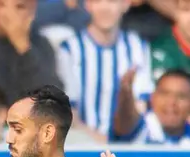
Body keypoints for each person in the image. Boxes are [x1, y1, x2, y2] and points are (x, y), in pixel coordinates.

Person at [57, 0, 154, 139]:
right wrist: (96, 141)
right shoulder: (70, 49)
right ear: (87, 4)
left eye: (112, 1)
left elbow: (141, 109)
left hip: (130, 147)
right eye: (97, 1)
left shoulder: (138, 47)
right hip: (82, 147)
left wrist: (126, 96)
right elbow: (67, 112)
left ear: (126, 4)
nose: (105, 8)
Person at [112, 68, 190, 144]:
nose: (172, 102)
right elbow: (124, 124)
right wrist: (126, 93)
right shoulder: (140, 127)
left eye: (181, 96)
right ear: (153, 97)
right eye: (165, 94)